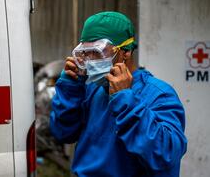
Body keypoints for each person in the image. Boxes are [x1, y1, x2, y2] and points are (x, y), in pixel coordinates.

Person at [50, 11, 187, 177]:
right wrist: (70, 89)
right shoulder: (93, 88)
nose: (90, 61)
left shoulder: (158, 94)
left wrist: (125, 101)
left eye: (98, 52)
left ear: (126, 52)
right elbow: (63, 133)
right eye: (85, 53)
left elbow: (165, 156)